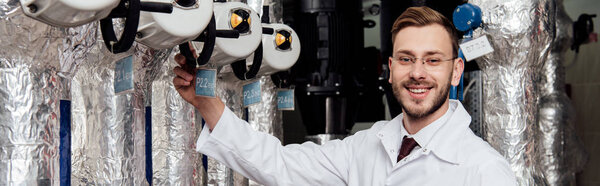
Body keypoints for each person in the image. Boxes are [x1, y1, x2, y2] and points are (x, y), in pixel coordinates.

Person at [172, 6, 517, 186]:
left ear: (456, 70)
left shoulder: (483, 171)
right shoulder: (367, 146)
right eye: (407, 59)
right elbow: (279, 165)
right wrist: (207, 103)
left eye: (433, 60)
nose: (418, 73)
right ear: (391, 68)